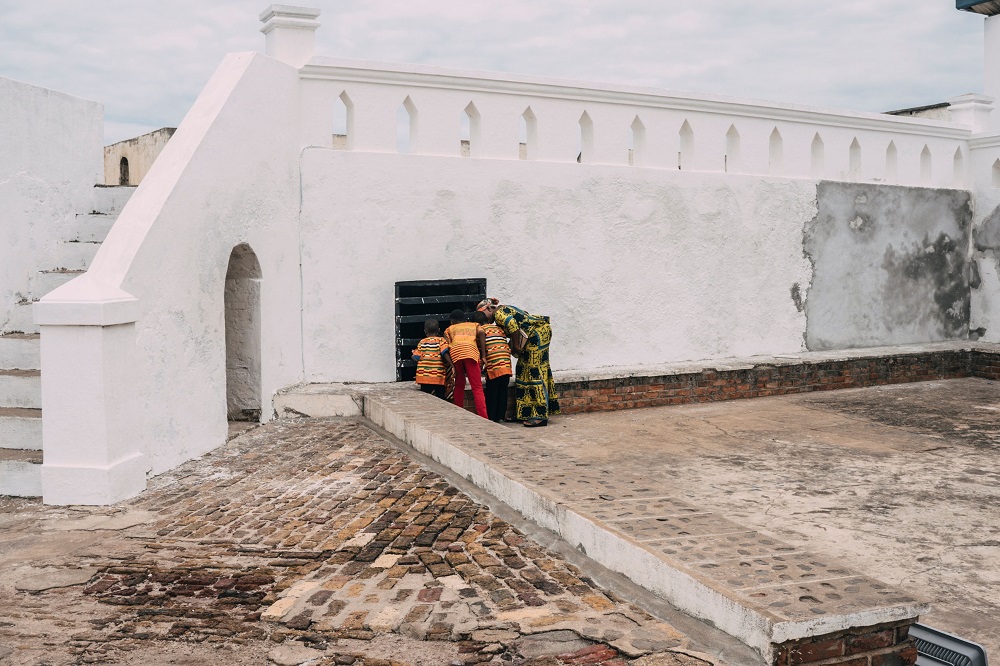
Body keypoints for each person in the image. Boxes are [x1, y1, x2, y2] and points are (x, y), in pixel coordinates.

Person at [478, 298, 559, 427]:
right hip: (534, 335)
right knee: (522, 370)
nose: (484, 318)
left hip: (536, 336)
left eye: (483, 314)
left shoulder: (498, 313)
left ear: (489, 308)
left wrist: (516, 345)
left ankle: (540, 415)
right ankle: (524, 412)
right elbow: (522, 316)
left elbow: (512, 325)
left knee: (534, 371)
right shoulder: (504, 309)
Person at [443, 309, 488, 419]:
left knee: (459, 384)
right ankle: (483, 417)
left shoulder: (449, 329)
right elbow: (482, 333)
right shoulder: (474, 325)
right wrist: (483, 355)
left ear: (452, 321)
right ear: (464, 319)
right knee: (477, 387)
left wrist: (452, 366)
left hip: (456, 353)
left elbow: (445, 345)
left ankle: (459, 414)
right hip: (471, 353)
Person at [473, 310, 512, 422]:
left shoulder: (480, 331)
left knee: (492, 392)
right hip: (506, 364)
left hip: (494, 365)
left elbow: (480, 349)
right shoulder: (499, 329)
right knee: (503, 391)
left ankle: (492, 418)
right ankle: (500, 416)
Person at [411, 319, 451, 399]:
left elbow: (416, 357)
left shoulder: (422, 342)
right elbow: (444, 353)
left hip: (424, 377)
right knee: (440, 397)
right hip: (438, 376)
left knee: (426, 398)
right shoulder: (441, 341)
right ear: (439, 330)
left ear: (425, 331)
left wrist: (413, 354)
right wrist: (452, 365)